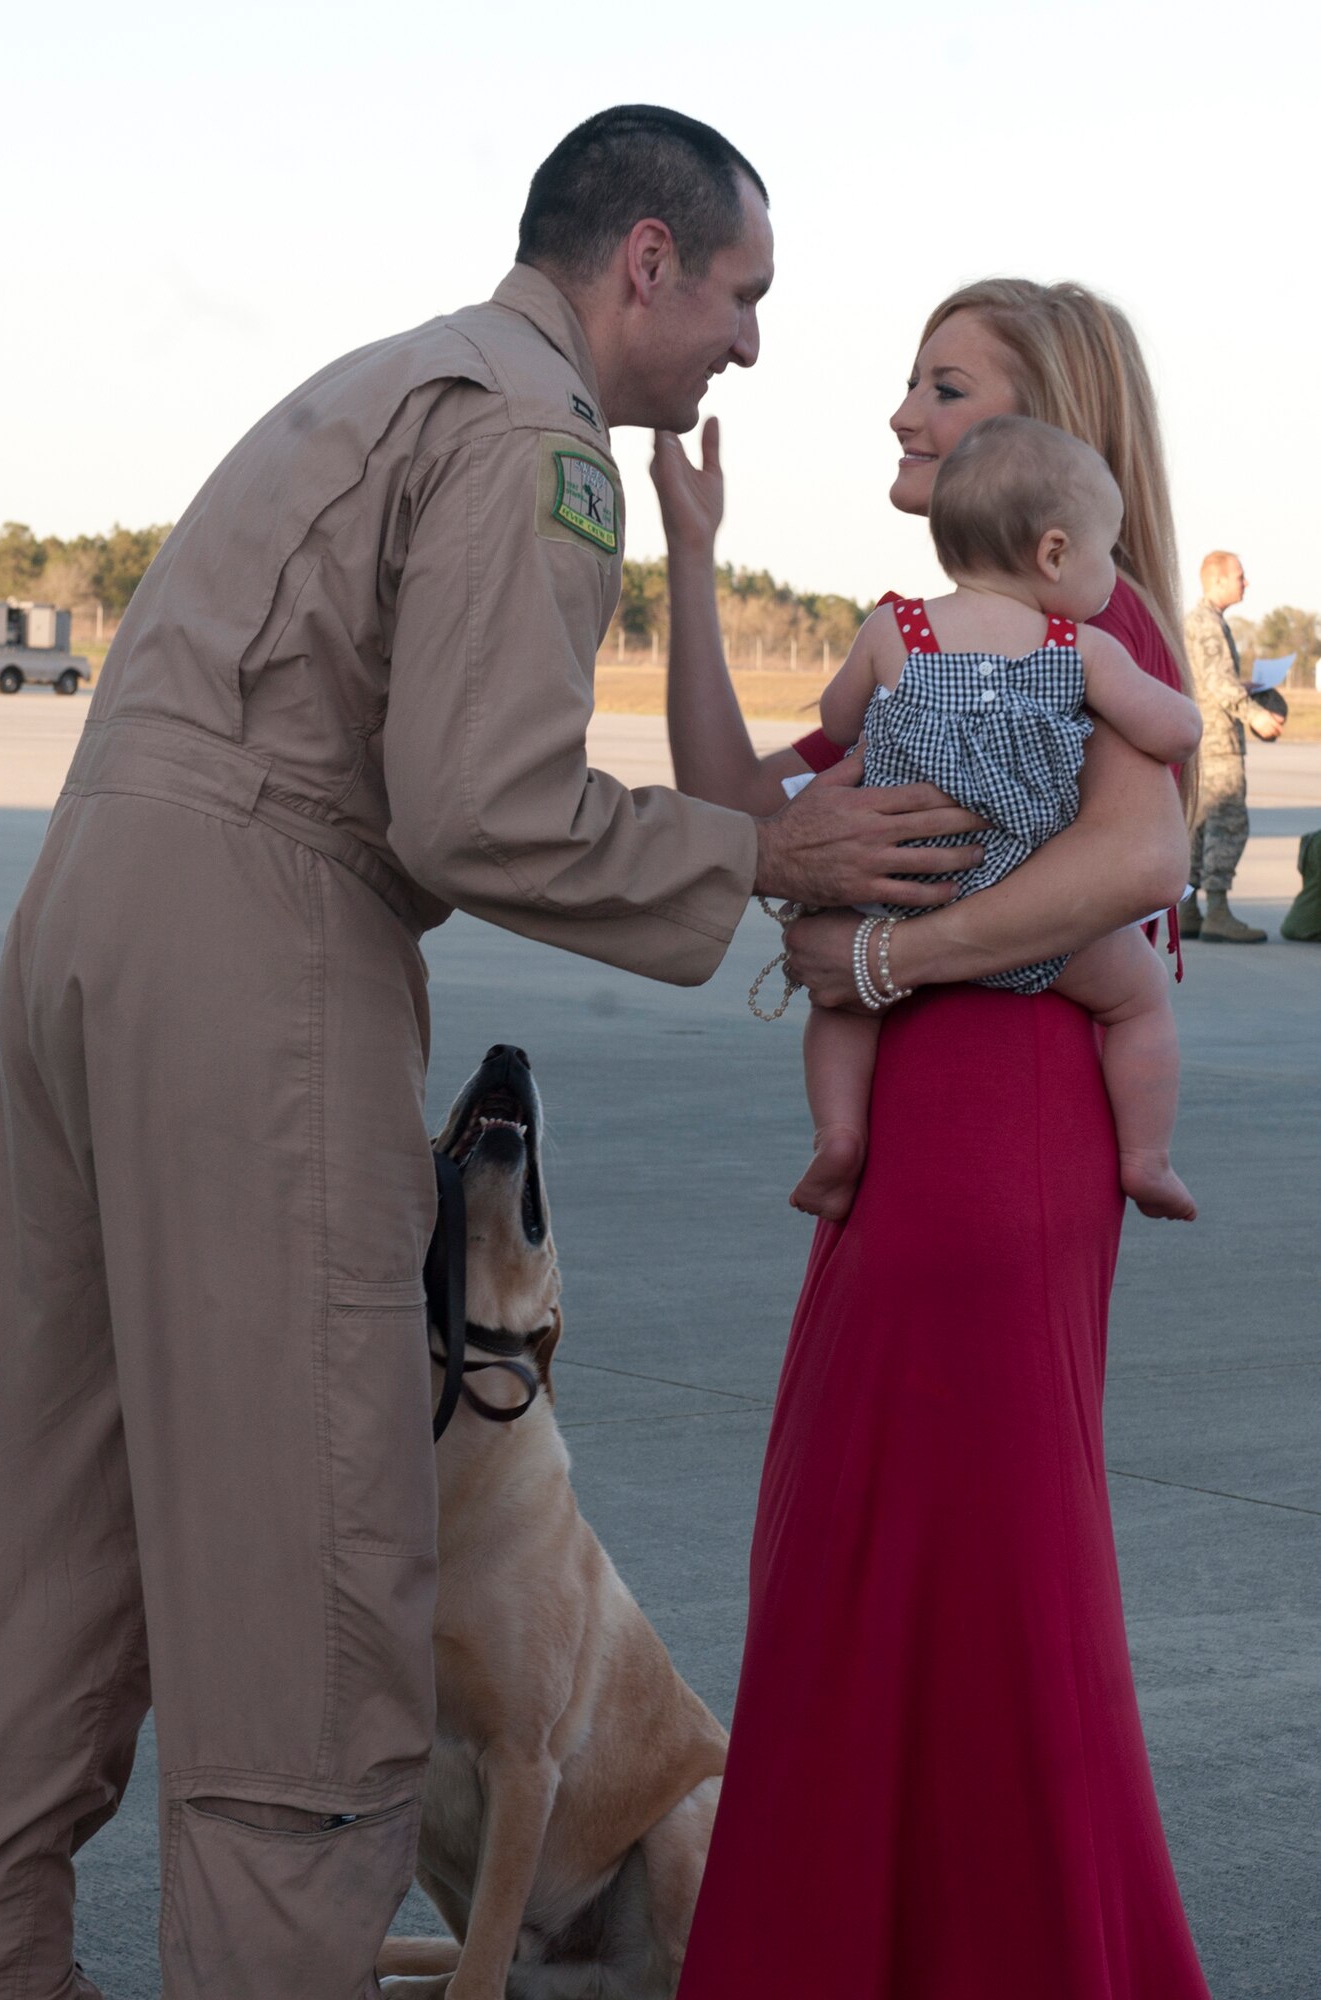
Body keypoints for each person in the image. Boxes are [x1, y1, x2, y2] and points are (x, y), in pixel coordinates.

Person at [0, 109, 1005, 2000]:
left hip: (89, 931)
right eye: (739, 296)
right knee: (315, 1590)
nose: (747, 344)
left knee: (59, 1547)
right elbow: (476, 809)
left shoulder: (387, 375)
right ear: (642, 261)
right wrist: (764, 854)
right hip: (258, 956)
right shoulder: (534, 436)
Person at [654, 278, 1213, 1996]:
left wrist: (877, 952)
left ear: (1036, 427)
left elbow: (1131, 865)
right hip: (917, 1131)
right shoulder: (920, 630)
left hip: (999, 1128)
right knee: (866, 1560)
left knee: (952, 1574)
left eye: (940, 385)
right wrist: (689, 561)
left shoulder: (1089, 614)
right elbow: (730, 807)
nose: (901, 413)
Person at [787, 415, 1200, 1225]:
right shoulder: (1074, 647)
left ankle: (836, 1138)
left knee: (839, 1007)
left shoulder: (893, 627)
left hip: (898, 887)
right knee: (1139, 1000)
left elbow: (836, 721)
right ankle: (1147, 1158)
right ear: (1052, 554)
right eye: (1102, 552)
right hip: (1030, 908)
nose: (1110, 576)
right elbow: (1174, 731)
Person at [1182, 549, 1283, 944]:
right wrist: (1253, 713)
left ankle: (1189, 909)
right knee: (1227, 823)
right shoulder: (1206, 623)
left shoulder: (1204, 621)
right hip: (1217, 743)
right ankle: (1218, 912)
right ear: (1217, 580)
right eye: (1239, 576)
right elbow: (1217, 683)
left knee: (1201, 826)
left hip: (1202, 739)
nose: (1245, 582)